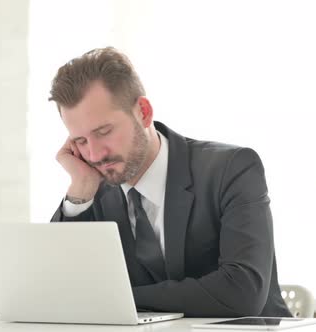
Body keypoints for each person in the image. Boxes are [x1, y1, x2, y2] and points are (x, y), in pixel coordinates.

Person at [49, 47, 291, 318]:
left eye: (103, 132)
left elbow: (242, 292)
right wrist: (79, 192)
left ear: (143, 112)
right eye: (80, 141)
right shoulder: (95, 189)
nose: (94, 154)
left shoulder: (231, 169)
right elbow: (59, 290)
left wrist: (117, 298)